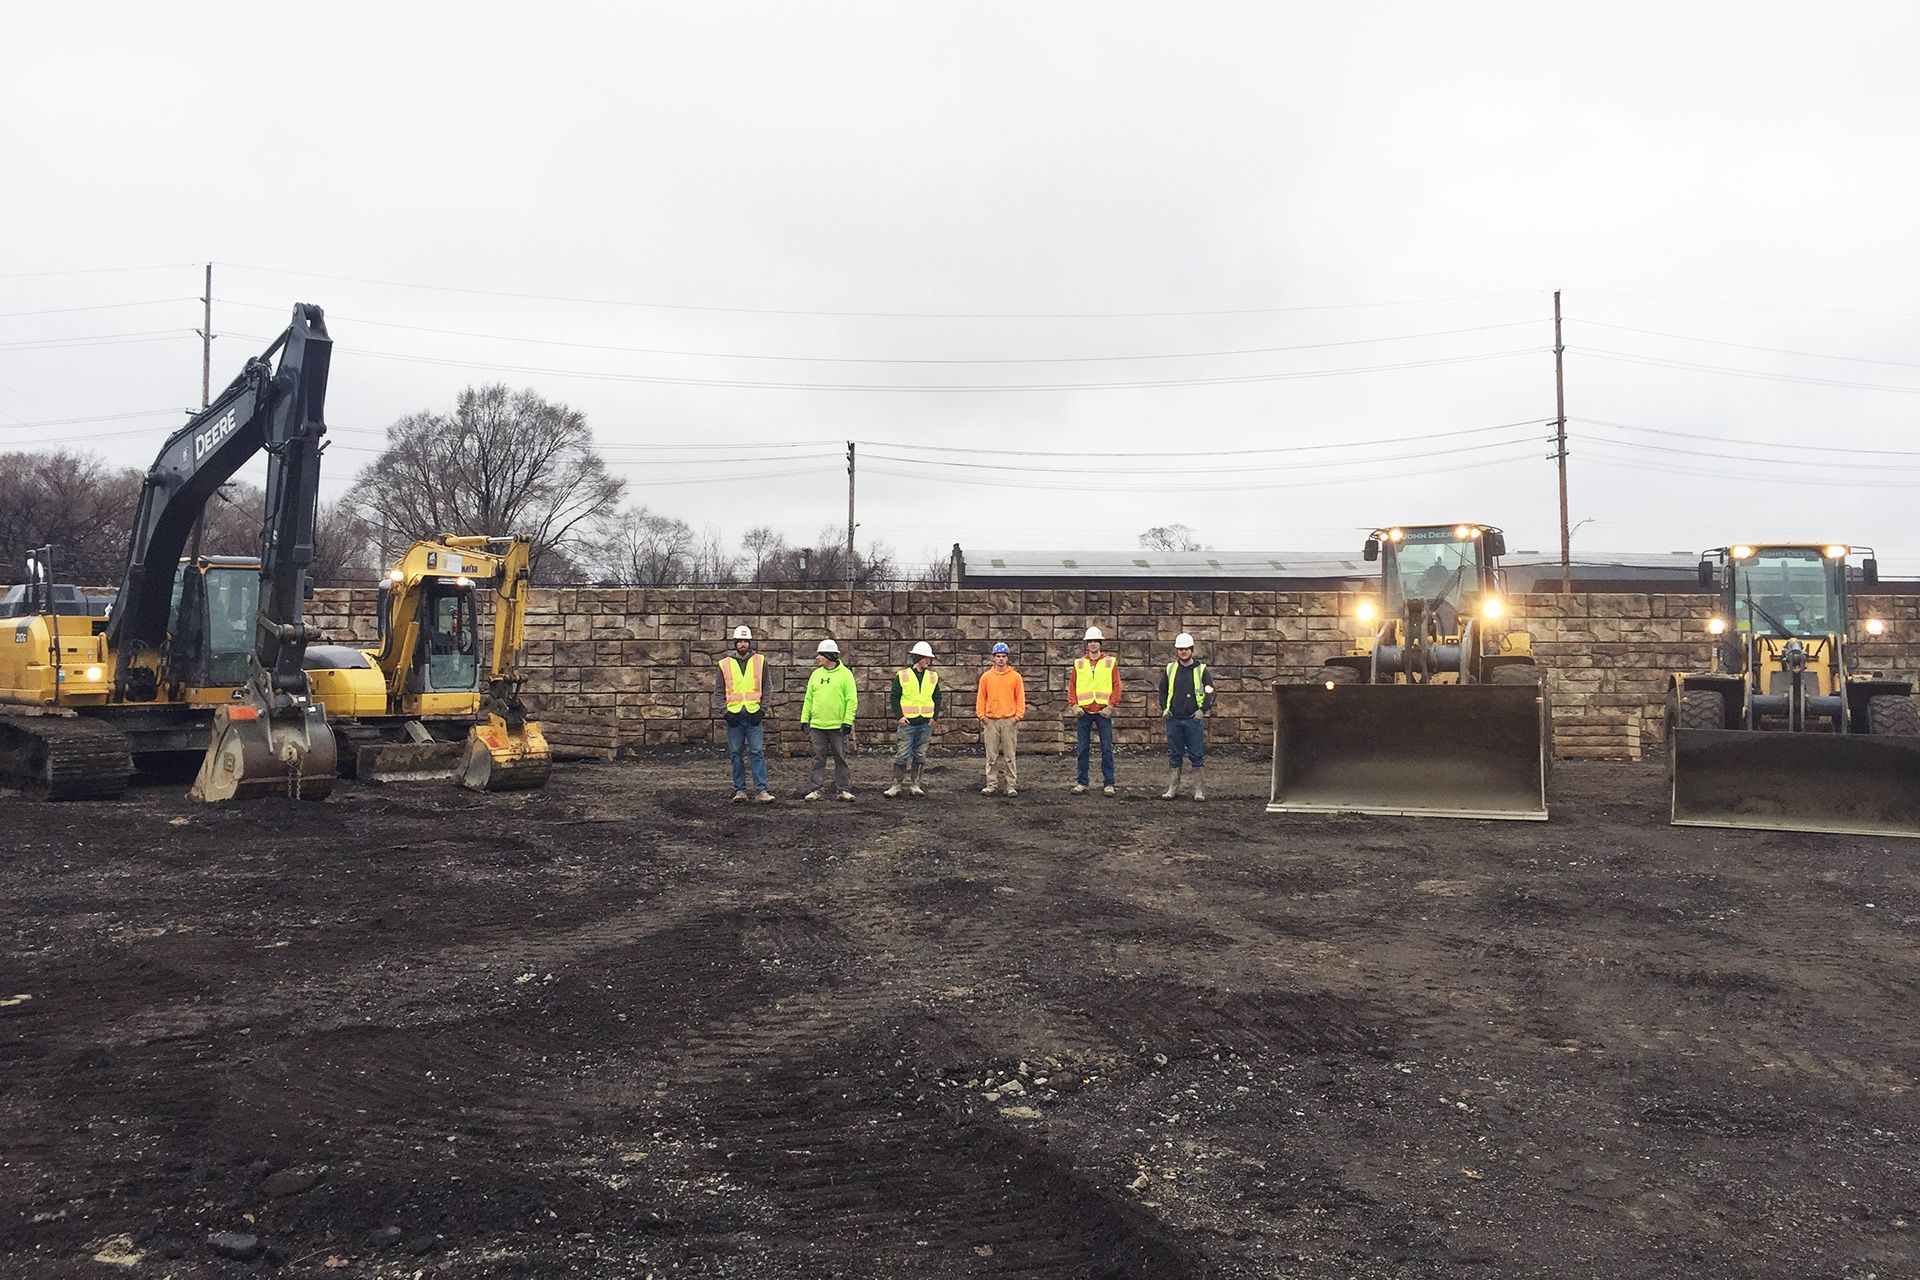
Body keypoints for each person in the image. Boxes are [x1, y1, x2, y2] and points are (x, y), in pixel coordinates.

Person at [1157, 632, 1213, 802]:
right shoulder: (1170, 669)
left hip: (1192, 719)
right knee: (1175, 754)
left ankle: (1199, 790)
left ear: (1191, 650)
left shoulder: (1201, 670)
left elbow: (1210, 691)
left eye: (1186, 649)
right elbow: (1163, 690)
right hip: (1174, 718)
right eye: (1180, 649)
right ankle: (1172, 788)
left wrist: (1203, 709)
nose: (1183, 652)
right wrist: (1164, 708)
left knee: (1196, 755)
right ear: (1177, 651)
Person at [800, 638, 858, 802]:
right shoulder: (816, 674)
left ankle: (843, 789)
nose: (817, 658)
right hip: (818, 725)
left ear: (828, 656)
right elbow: (809, 699)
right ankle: (816, 789)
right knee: (818, 758)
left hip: (837, 726)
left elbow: (851, 700)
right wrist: (805, 719)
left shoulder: (846, 675)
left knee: (841, 758)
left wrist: (847, 721)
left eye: (820, 655)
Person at [884, 641, 941, 798]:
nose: (928, 661)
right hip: (908, 722)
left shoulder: (933, 676)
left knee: (920, 754)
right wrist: (899, 716)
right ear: (918, 658)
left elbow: (937, 697)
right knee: (902, 754)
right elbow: (894, 697)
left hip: (925, 723)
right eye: (925, 658)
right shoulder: (902, 675)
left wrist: (934, 717)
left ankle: (915, 785)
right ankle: (896, 785)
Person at [1070, 626, 1121, 796]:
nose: (1092, 644)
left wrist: (1111, 706)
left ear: (1100, 643)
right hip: (1083, 712)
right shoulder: (1079, 663)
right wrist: (1074, 705)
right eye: (1090, 641)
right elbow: (1072, 686)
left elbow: (1116, 686)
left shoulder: (1109, 662)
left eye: (1095, 641)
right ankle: (1082, 782)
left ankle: (1109, 783)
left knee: (1106, 749)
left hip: (1103, 712)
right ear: (1087, 644)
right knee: (1082, 749)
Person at [975, 641, 1024, 796]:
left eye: (1003, 656)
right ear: (993, 658)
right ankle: (991, 784)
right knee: (991, 756)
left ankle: (1010, 785)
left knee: (1010, 756)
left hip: (1009, 721)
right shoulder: (986, 677)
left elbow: (1020, 698)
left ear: (1007, 658)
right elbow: (981, 698)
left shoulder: (1015, 677)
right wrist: (982, 716)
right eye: (998, 656)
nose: (1001, 659)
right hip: (990, 721)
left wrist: (1017, 717)